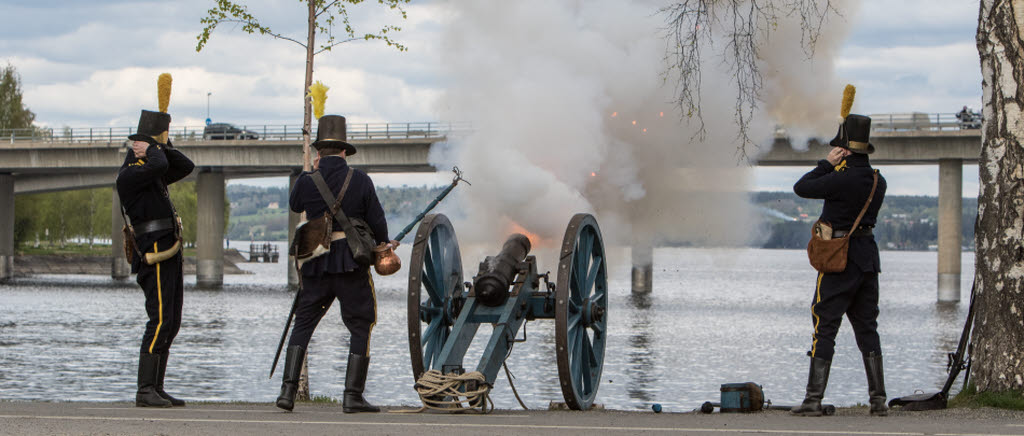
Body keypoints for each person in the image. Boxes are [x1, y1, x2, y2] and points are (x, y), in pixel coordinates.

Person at [276, 115, 397, 413]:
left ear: (319, 153)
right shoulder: (361, 180)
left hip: (316, 263)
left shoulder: (307, 180)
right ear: (344, 151)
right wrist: (384, 244)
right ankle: (352, 396)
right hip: (349, 263)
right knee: (361, 323)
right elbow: (377, 220)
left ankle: (287, 393)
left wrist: (310, 173)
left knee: (303, 323)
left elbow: (294, 205)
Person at [791, 112, 888, 417]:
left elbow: (802, 187)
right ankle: (878, 401)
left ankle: (813, 399)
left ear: (843, 149)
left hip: (838, 259)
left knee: (824, 326)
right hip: (867, 260)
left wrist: (827, 163)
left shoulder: (839, 178)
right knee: (867, 328)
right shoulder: (878, 180)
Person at [116, 74, 195, 408]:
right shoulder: (132, 173)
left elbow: (185, 165)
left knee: (172, 322)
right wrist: (153, 149)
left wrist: (163, 143)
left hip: (169, 250)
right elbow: (160, 163)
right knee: (159, 319)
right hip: (154, 253)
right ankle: (144, 389)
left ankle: (156, 387)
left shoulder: (154, 167)